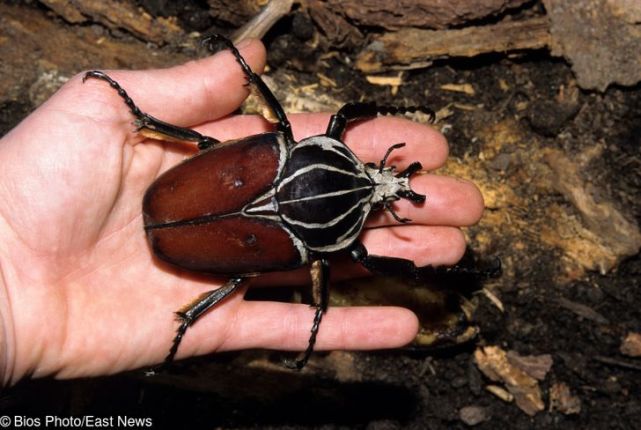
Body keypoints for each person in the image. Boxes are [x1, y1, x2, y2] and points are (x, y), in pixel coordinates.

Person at [0, 39, 484, 386]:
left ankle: (187, 318)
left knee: (209, 153)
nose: (381, 185)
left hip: (180, 212)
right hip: (178, 215)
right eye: (379, 179)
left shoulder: (292, 154)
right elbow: (371, 258)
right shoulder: (321, 248)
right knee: (241, 278)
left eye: (377, 187)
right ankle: (186, 318)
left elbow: (332, 119)